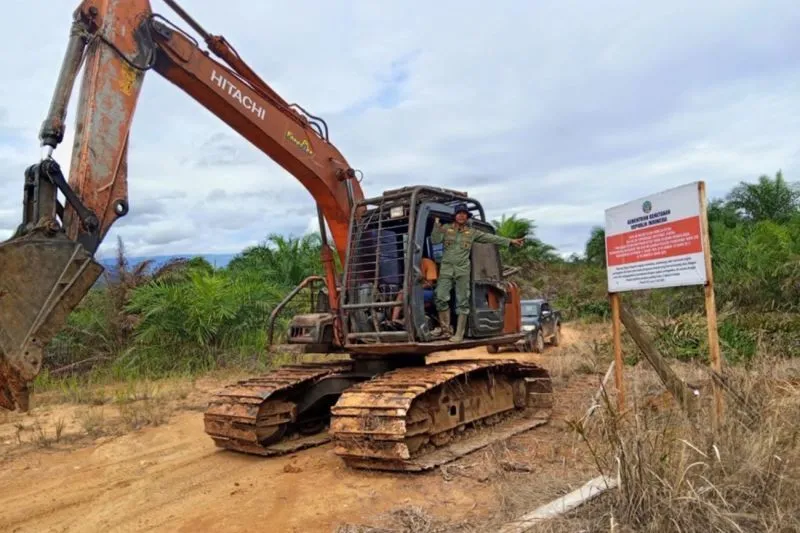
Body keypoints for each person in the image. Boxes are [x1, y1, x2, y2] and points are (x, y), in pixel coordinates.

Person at [430, 203, 524, 342]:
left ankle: (459, 334)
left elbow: (491, 238)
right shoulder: (446, 229)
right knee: (440, 297)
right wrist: (436, 224)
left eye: (464, 213)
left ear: (467, 216)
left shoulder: (472, 233)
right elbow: (434, 240)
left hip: (462, 270)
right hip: (446, 269)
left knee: (462, 301)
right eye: (459, 213)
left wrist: (510, 241)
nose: (462, 215)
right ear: (454, 216)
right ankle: (445, 330)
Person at [391, 255, 437, 323]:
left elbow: (430, 284)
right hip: (416, 290)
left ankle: (406, 321)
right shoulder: (410, 267)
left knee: (411, 296)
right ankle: (394, 320)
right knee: (402, 293)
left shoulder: (428, 263)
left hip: (430, 291)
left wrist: (413, 288)